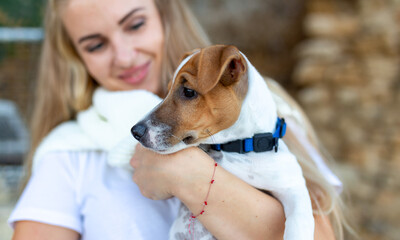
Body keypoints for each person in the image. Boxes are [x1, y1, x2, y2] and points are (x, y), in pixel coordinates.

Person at [8, 0, 351, 239]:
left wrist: (190, 175)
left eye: (136, 24)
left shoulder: (265, 113)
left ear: (165, 14)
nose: (125, 57)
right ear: (76, 58)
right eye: (96, 45)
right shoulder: (69, 153)